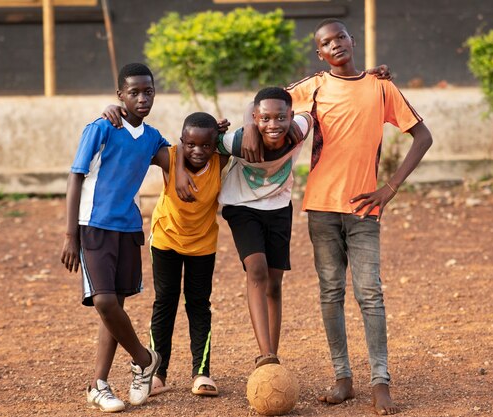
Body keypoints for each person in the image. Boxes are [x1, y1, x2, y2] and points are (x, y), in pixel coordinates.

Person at [241, 19, 433, 415]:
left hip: (364, 208)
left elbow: (423, 135)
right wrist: (247, 125)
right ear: (320, 53)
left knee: (370, 294)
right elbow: (264, 102)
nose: (335, 45)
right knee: (331, 293)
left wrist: (390, 188)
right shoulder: (313, 87)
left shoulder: (381, 86)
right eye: (326, 43)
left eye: (340, 37)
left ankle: (381, 382)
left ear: (352, 40)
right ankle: (343, 378)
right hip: (321, 207)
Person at [176, 87, 313, 369]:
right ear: (254, 117)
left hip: (279, 209)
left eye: (280, 118)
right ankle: (266, 356)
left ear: (291, 116)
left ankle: (272, 358)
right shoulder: (239, 141)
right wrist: (179, 169)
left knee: (275, 283)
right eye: (264, 119)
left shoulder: (300, 129)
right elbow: (193, 145)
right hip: (241, 206)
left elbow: (310, 114)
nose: (273, 125)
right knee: (257, 269)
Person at [60, 63, 166, 412]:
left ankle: (99, 385)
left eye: (147, 91)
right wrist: (70, 234)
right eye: (133, 92)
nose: (141, 98)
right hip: (93, 226)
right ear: (119, 95)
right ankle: (145, 358)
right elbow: (75, 178)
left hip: (129, 229)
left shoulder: (152, 138)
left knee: (114, 307)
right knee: (104, 301)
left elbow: (179, 156)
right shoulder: (101, 127)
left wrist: (215, 135)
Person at [147, 112, 229, 397]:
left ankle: (202, 373)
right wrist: (178, 166)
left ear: (215, 144)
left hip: (202, 244)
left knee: (198, 305)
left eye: (206, 145)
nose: (198, 151)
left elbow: (244, 139)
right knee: (165, 302)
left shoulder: (220, 162)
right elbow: (147, 144)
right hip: (166, 239)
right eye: (191, 145)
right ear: (182, 142)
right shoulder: (169, 157)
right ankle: (157, 373)